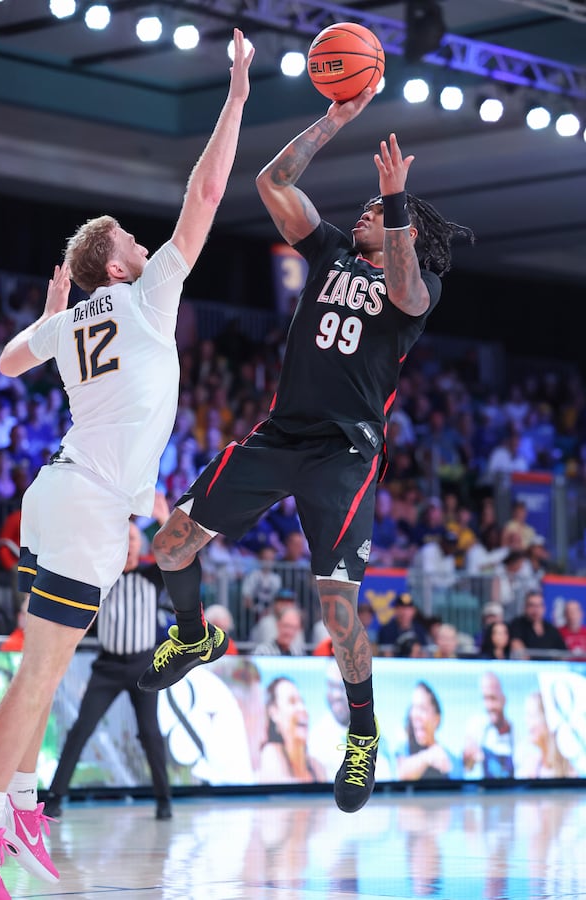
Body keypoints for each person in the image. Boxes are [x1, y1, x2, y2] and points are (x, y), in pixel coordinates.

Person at [137, 88, 473, 817]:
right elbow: (272, 184)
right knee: (169, 546)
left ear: (403, 231)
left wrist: (397, 204)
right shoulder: (325, 252)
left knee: (337, 607)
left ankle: (363, 734)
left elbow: (410, 292)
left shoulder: (418, 284)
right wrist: (335, 120)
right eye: (367, 210)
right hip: (281, 435)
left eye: (375, 216)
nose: (362, 214)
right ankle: (192, 636)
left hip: (344, 455)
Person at [0, 30, 254, 897]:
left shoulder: (72, 322)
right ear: (117, 263)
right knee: (35, 679)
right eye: (135, 241)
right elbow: (208, 189)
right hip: (85, 502)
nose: (149, 245)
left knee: (50, 670)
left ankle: (22, 811)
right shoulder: (145, 299)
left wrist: (54, 309)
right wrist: (239, 93)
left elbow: (7, 365)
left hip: (80, 502)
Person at [43, 522, 172, 822]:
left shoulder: (152, 576)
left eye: (134, 538)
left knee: (150, 734)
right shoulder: (102, 576)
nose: (129, 544)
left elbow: (178, 553)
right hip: (108, 666)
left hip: (143, 666)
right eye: (123, 538)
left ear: (141, 546)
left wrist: (165, 521)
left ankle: (164, 800)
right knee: (81, 729)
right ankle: (55, 797)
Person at [257, 677, 326, 784]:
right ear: (274, 712)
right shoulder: (270, 753)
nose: (302, 709)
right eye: (292, 702)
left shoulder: (317, 766)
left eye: (302, 702)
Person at [396, 681, 462, 782]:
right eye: (414, 708)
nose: (416, 716)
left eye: (422, 709)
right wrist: (427, 757)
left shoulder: (451, 759)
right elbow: (401, 774)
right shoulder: (403, 749)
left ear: (437, 719)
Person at [463, 672, 515, 779]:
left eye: (493, 698)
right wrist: (469, 758)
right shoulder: (475, 727)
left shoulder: (516, 732)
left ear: (503, 699)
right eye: (485, 698)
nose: (489, 706)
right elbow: (467, 768)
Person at [509, 589, 567, 659]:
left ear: (544, 608)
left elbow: (563, 654)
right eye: (532, 605)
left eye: (539, 606)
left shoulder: (551, 629)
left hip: (550, 668)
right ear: (525, 607)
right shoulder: (517, 624)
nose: (535, 609)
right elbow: (518, 650)